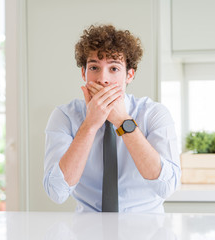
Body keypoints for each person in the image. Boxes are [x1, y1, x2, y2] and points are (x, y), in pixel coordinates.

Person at [43, 24, 181, 213]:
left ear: (129, 75)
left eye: (114, 69)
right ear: (84, 73)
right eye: (94, 67)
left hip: (147, 228)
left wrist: (123, 121)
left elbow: (167, 187)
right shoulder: (65, 116)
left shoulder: (154, 114)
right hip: (87, 228)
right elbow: (56, 193)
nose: (103, 79)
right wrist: (90, 125)